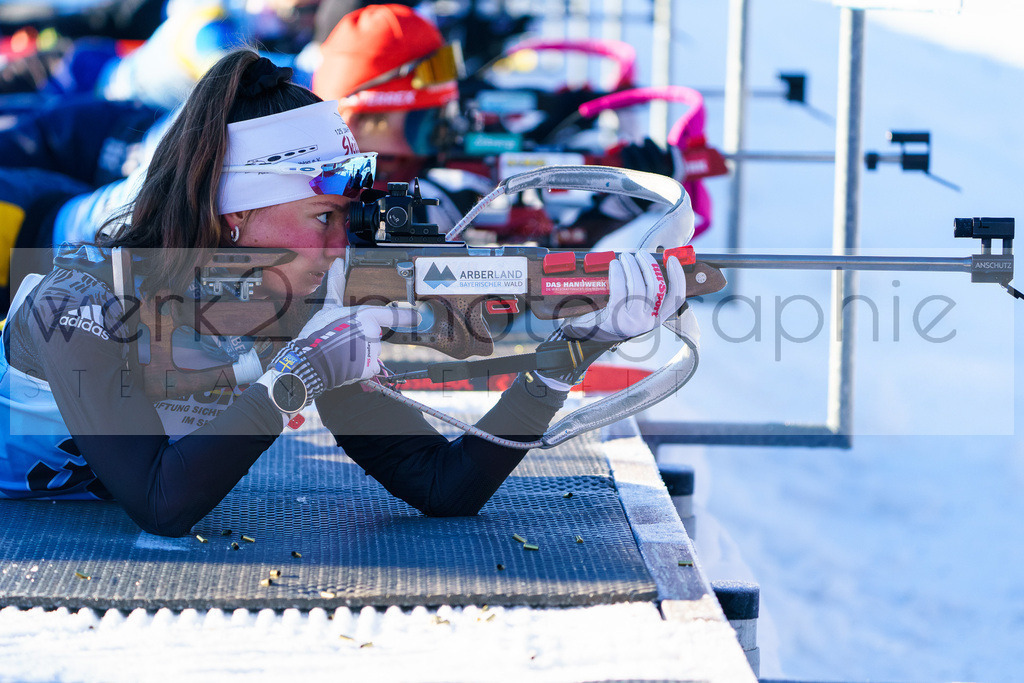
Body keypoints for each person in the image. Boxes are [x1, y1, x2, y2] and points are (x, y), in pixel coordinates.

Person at [0, 49, 688, 537]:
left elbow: (442, 485)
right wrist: (296, 376)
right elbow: (161, 501)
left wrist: (566, 352)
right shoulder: (81, 303)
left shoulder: (287, 306)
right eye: (324, 218)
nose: (342, 244)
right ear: (233, 215)